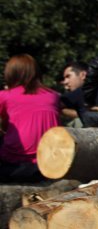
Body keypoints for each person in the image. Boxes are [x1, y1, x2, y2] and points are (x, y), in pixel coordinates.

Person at [0, 54, 60, 182]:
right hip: (50, 163)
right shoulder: (53, 96)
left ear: (11, 73)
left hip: (13, 163)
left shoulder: (6, 96)